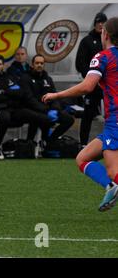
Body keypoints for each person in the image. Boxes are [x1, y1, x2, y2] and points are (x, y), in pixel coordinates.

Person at [42, 17, 118, 212]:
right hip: (112, 123)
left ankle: (113, 184)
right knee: (83, 157)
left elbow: (87, 86)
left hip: (115, 122)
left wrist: (57, 94)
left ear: (105, 34)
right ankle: (110, 187)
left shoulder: (103, 57)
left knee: (113, 171)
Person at [0, 54, 51, 159]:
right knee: (4, 118)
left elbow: (20, 92)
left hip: (12, 109)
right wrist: (9, 94)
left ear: (3, 66)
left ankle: (32, 144)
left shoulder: (9, 77)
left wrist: (3, 92)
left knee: (40, 117)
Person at [20, 54, 74, 145]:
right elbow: (28, 99)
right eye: (37, 63)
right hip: (33, 109)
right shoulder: (26, 78)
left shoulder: (48, 79)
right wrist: (46, 110)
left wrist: (55, 109)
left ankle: (50, 140)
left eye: (41, 63)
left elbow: (55, 96)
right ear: (32, 65)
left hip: (49, 109)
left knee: (69, 119)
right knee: (41, 118)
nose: (39, 65)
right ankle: (30, 144)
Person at [75, 12, 107, 148]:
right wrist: (91, 78)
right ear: (94, 23)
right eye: (98, 22)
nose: (101, 24)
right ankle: (83, 144)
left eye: (103, 22)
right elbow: (80, 63)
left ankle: (110, 143)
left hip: (108, 85)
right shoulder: (87, 41)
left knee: (112, 115)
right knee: (87, 114)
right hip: (92, 85)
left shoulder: (110, 41)